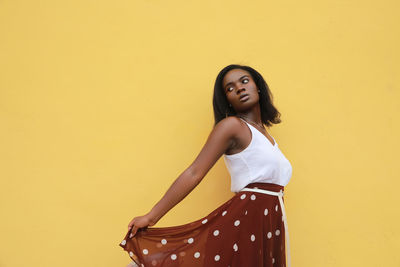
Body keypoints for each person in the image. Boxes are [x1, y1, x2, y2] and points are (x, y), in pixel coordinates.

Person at [119, 64, 293, 267]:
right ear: (226, 100)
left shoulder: (268, 137)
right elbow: (194, 172)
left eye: (244, 81)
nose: (239, 88)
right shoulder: (232, 127)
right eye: (230, 88)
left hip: (270, 221)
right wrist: (151, 216)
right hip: (248, 216)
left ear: (258, 86)